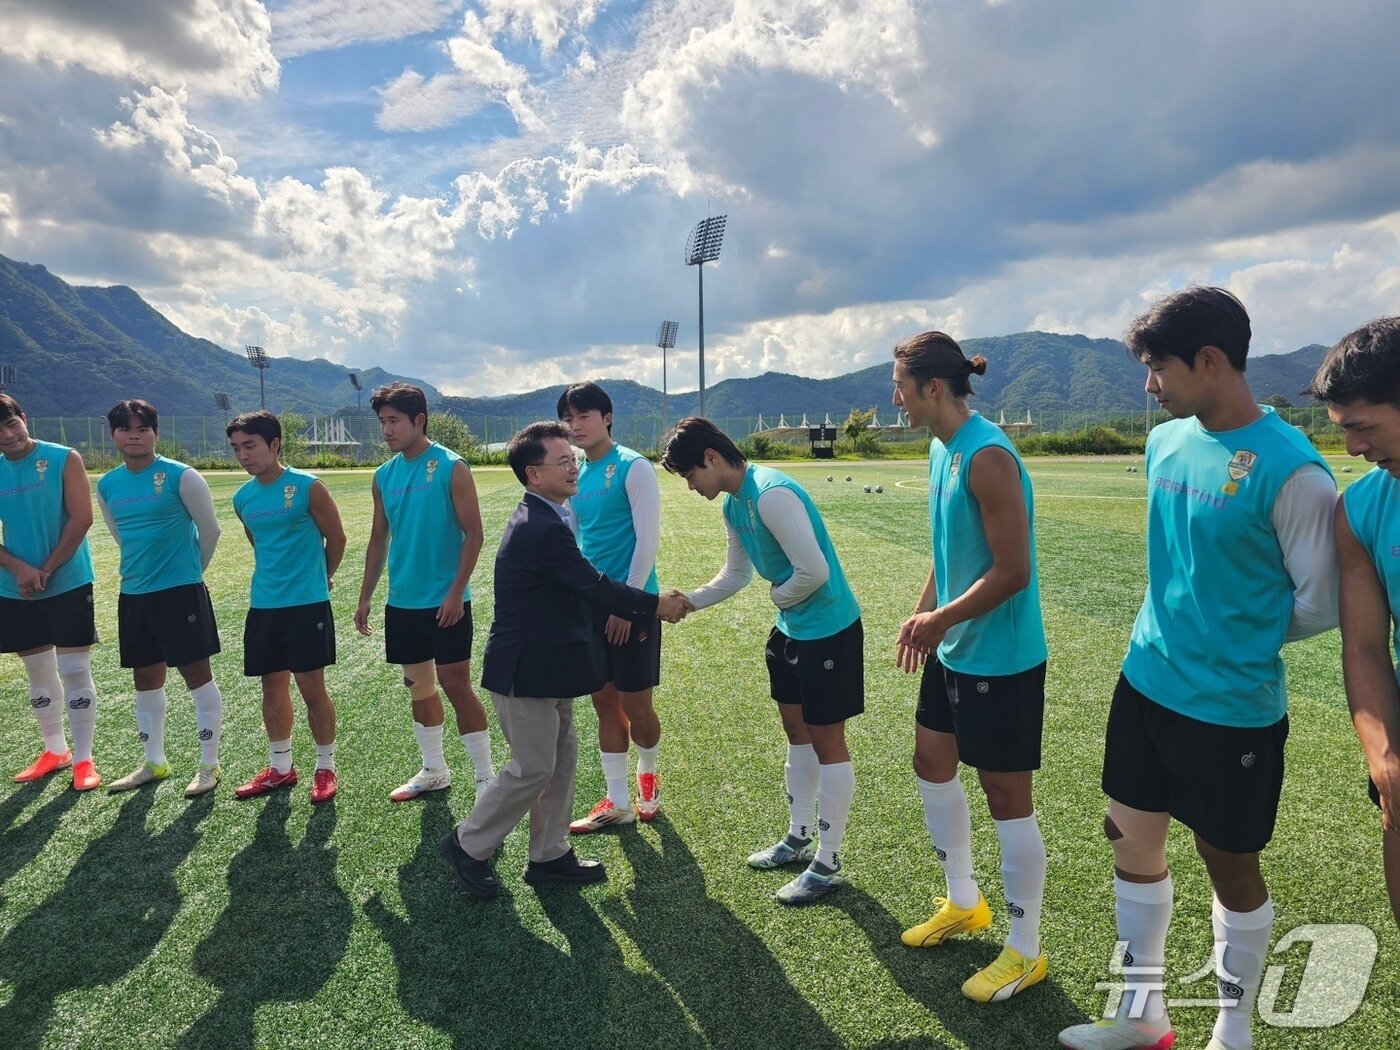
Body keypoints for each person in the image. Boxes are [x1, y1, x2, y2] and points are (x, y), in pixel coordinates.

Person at [1059, 288, 1338, 1050]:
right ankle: (1143, 1016)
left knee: (1229, 865)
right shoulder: (1165, 442)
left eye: (1158, 369)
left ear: (1209, 361)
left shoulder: (1296, 473)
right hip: (1145, 679)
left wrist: (1233, 635)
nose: (1150, 386)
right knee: (1129, 839)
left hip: (1229, 706)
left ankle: (1233, 1031)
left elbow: (1319, 603)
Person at [440, 421, 688, 898]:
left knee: (560, 760)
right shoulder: (539, 527)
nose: (574, 466)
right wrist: (655, 604)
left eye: (573, 459)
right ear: (533, 474)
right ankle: (468, 844)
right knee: (533, 766)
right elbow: (593, 585)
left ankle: (549, 855)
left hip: (549, 667)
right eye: (562, 461)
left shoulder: (553, 515)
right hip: (524, 672)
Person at [890, 333, 1049, 1003]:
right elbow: (949, 549)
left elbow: (1013, 572)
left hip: (1002, 658)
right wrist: (927, 615)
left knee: (1007, 799)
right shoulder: (940, 447)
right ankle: (965, 902)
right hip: (954, 645)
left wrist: (941, 620)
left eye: (898, 385)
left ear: (932, 388)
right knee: (932, 763)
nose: (892, 398)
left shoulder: (987, 457)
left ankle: (1025, 950)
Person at [661, 417, 862, 906]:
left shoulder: (771, 493)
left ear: (710, 458)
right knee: (796, 732)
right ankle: (797, 838)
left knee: (827, 739)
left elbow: (813, 572)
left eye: (690, 476)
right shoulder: (735, 504)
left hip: (829, 630)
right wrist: (690, 599)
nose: (691, 487)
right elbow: (735, 574)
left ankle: (829, 861)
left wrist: (781, 596)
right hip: (793, 629)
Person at [355, 383, 494, 802]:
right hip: (403, 603)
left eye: (394, 421)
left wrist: (456, 592)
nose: (387, 430)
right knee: (418, 686)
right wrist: (365, 597)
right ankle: (434, 769)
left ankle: (486, 777)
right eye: (382, 422)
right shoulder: (384, 475)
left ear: (419, 420)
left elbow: (474, 534)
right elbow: (379, 539)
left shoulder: (452, 466)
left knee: (456, 684)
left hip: (446, 601)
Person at [1305, 316, 1400, 928]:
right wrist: (1385, 756)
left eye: (1362, 427)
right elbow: (1365, 647)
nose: (1353, 450)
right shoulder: (1360, 507)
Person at [97, 399, 227, 797]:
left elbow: (211, 531)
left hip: (180, 593)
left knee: (197, 677)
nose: (133, 435)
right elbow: (122, 537)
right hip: (134, 594)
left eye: (142, 428)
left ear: (156, 432)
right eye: (124, 428)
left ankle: (209, 765)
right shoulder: (107, 484)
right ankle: (154, 761)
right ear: (114, 434)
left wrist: (190, 576)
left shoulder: (180, 476)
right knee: (146, 680)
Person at [556, 382, 665, 833]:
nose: (575, 426)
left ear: (607, 417)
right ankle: (616, 801)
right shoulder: (576, 470)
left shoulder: (632, 467)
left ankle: (649, 779)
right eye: (569, 418)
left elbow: (647, 542)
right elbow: (578, 538)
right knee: (603, 701)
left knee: (637, 705)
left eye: (584, 416)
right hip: (592, 604)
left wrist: (628, 605)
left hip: (632, 604)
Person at [228, 411, 347, 804]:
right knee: (271, 686)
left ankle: (325, 768)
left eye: (250, 446)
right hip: (264, 605)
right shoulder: (242, 498)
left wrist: (320, 578)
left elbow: (337, 538)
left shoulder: (307, 487)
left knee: (312, 688)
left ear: (274, 444)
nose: (243, 455)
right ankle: (280, 768)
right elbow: (258, 544)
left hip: (307, 604)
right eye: (236, 448)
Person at [0, 394, 102, 790]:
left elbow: (81, 520)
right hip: (16, 587)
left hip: (68, 580)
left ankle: (84, 759)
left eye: (11, 424)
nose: (8, 435)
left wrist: (45, 569)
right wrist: (19, 569)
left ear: (24, 418)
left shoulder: (63, 458)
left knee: (74, 670)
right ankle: (55, 750)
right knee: (38, 675)